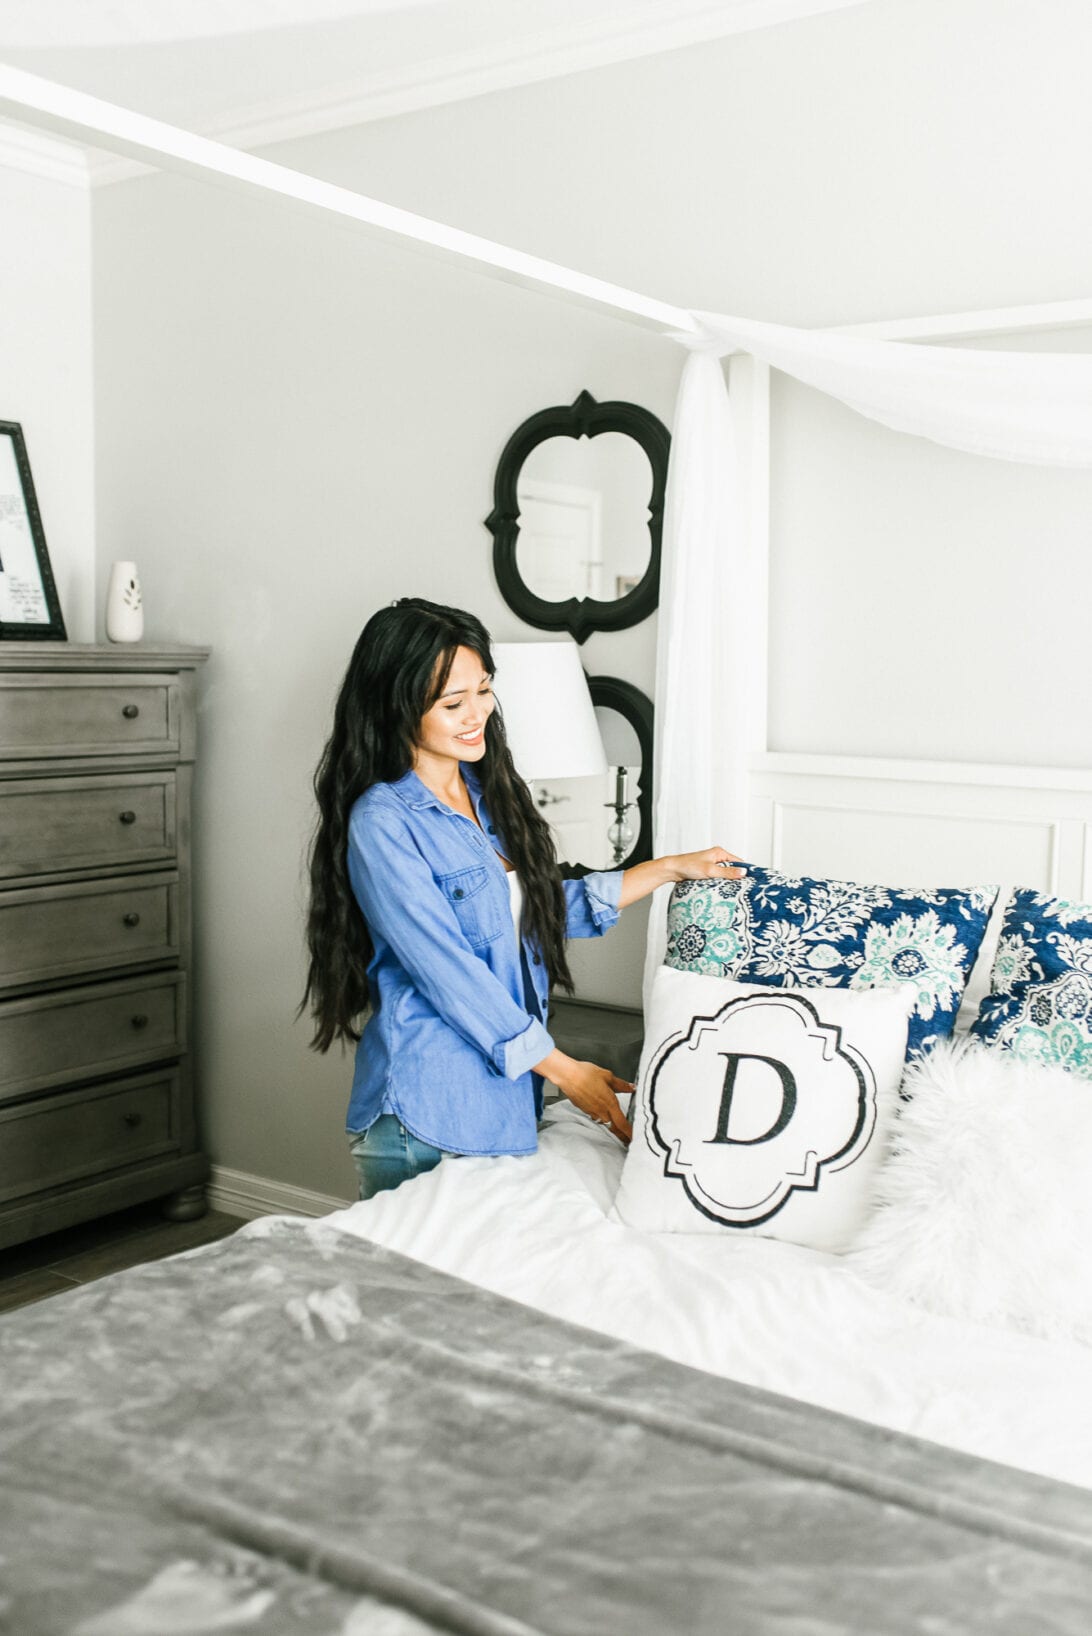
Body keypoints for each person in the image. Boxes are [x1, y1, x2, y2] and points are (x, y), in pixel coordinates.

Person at [301, 597, 742, 1201]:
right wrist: (568, 1072)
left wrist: (665, 870)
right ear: (396, 706)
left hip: (502, 1104)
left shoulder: (488, 797)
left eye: (483, 690)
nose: (476, 712)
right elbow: (450, 972)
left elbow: (536, 914)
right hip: (428, 1109)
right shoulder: (384, 821)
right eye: (453, 703)